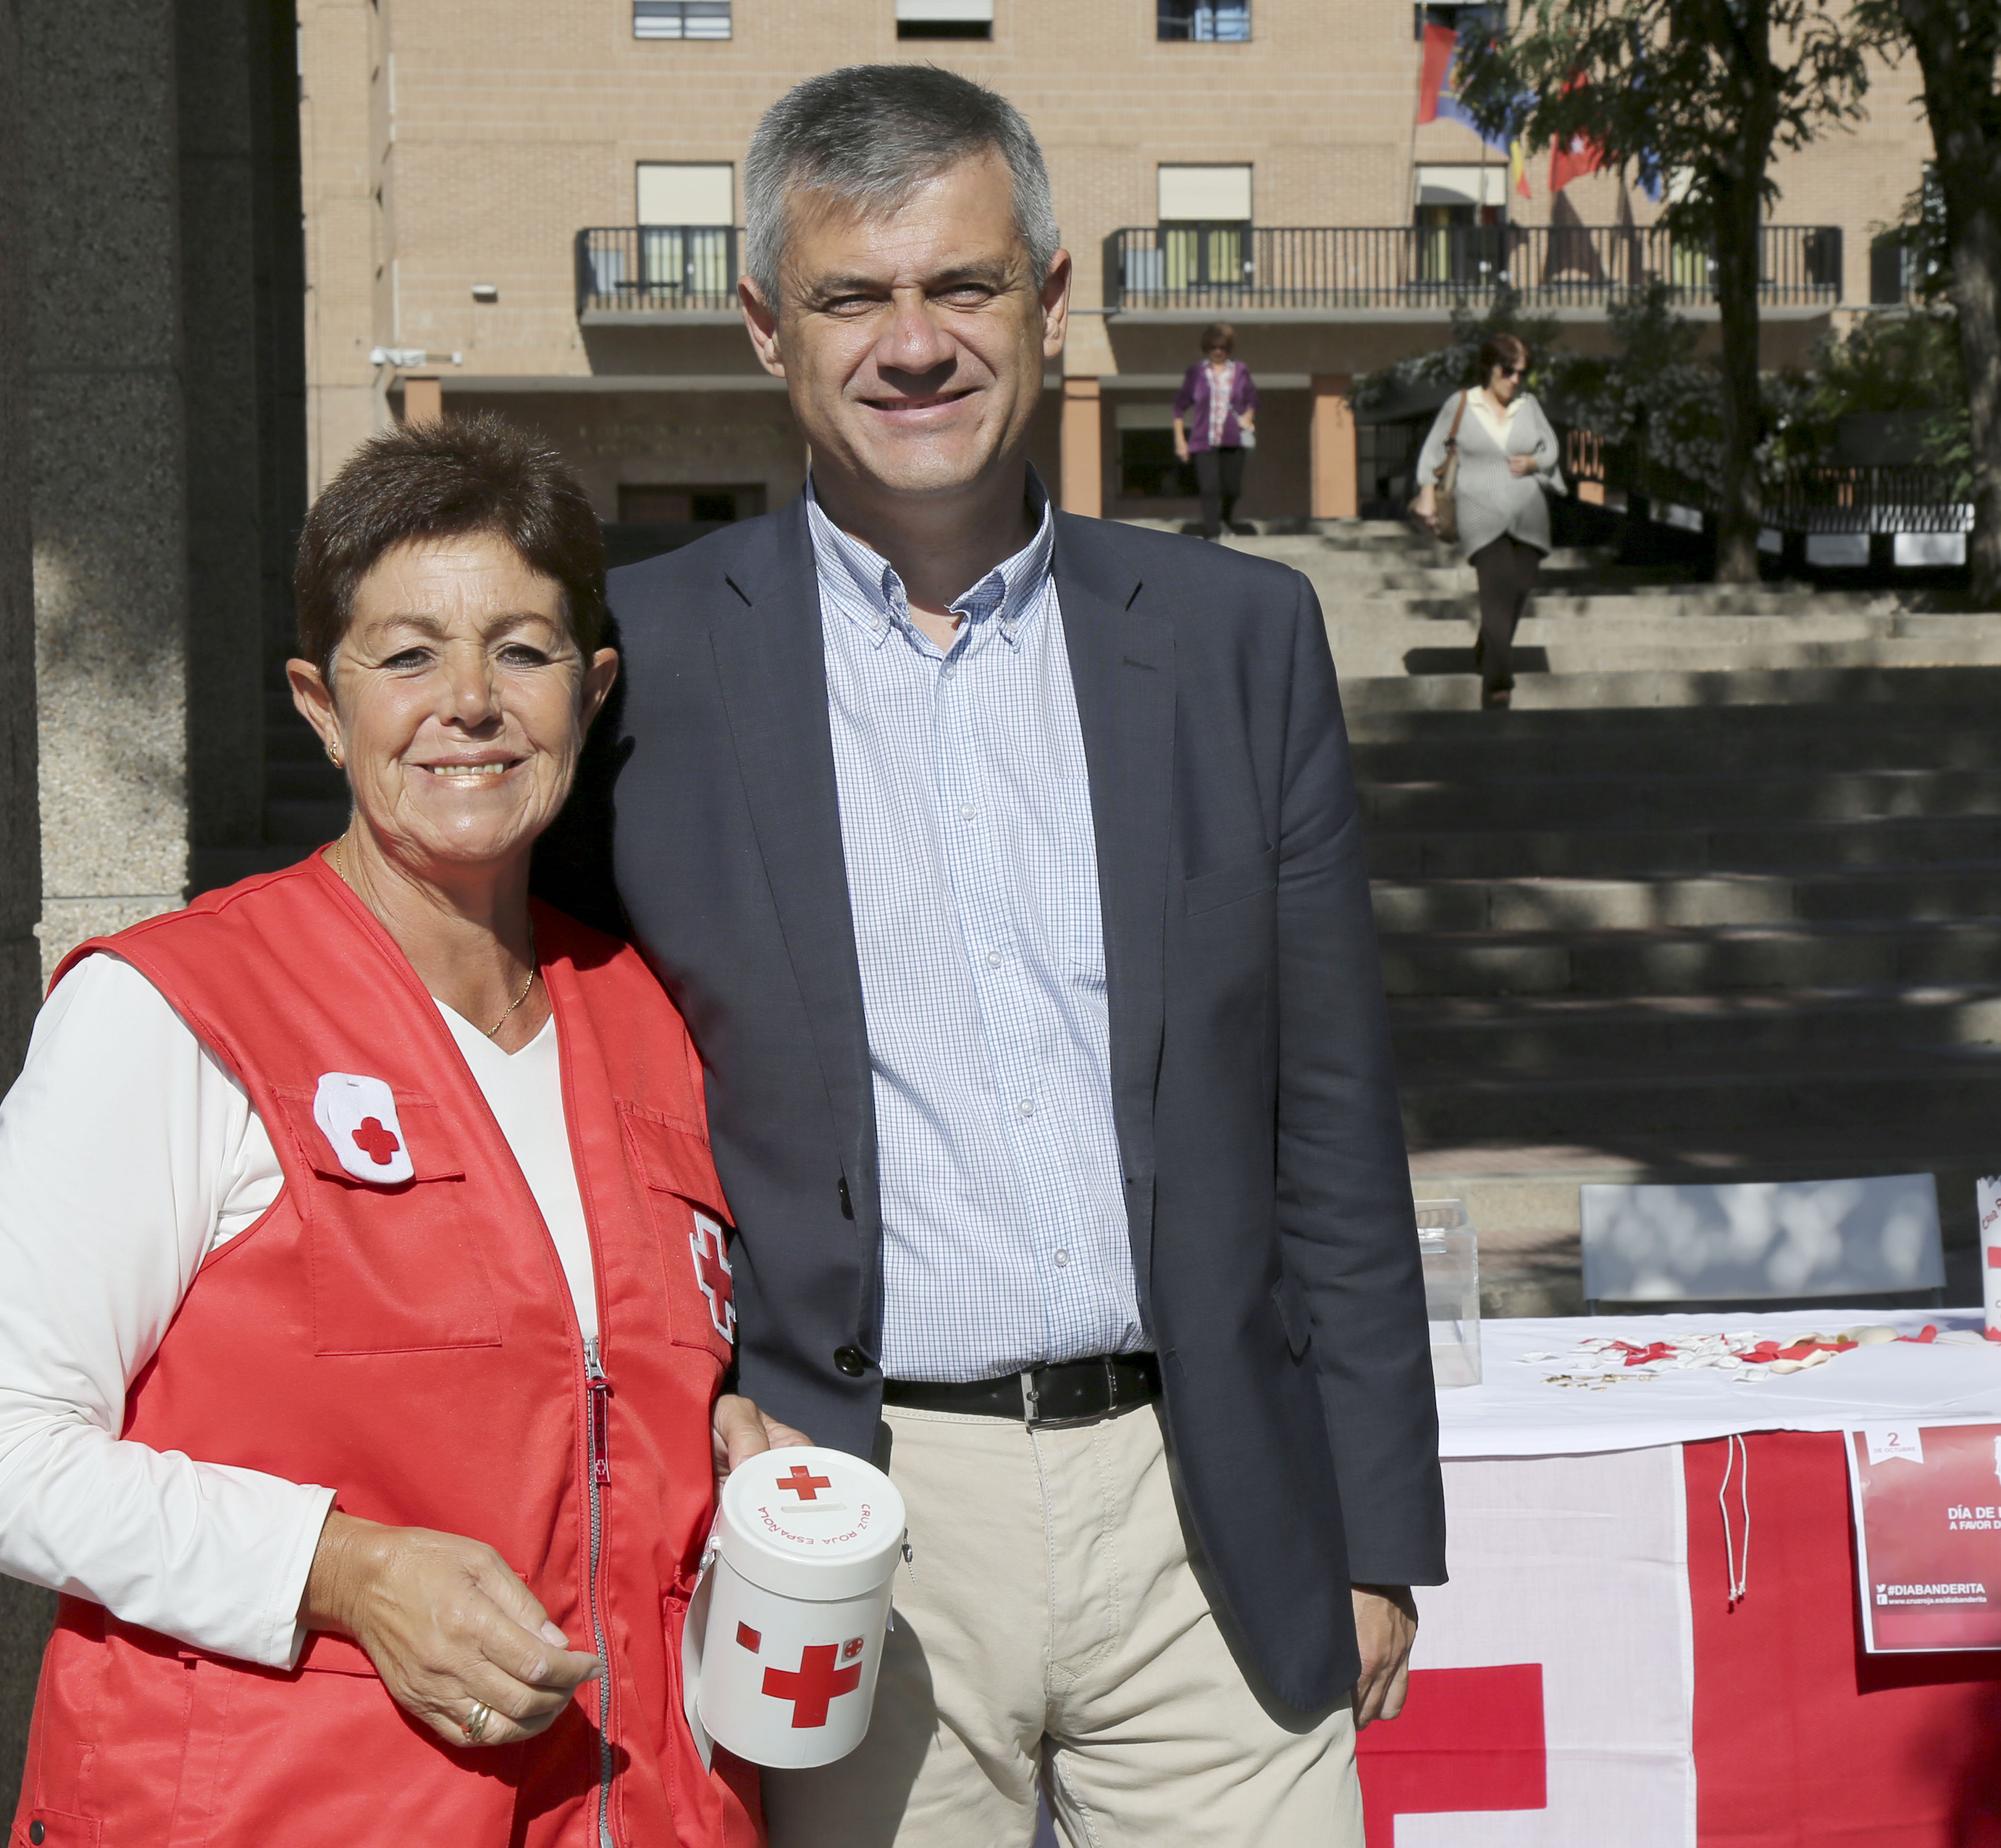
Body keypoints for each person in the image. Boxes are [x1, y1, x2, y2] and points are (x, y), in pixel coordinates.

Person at [544, 64, 1445, 1848]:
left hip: (1206, 1518)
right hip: (849, 1522)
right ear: (760, 326)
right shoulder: (641, 658)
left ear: (1045, 301)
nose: (912, 344)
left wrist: (1377, 1527)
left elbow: (1328, 1110)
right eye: (850, 296)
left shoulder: (1234, 641)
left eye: (961, 286)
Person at [0, 416, 797, 1848]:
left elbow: (579, 1387)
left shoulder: (646, 1018)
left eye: (524, 648)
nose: (471, 699)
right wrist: (346, 1568)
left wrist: (715, 1452)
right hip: (275, 1803)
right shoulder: (179, 1009)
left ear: (593, 686)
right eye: (408, 654)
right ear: (323, 706)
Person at [1411, 332, 1561, 709]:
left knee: (1519, 589)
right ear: (1490, 367)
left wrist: (1534, 463)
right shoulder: (1462, 404)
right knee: (1497, 591)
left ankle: (1487, 649)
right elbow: (1433, 450)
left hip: (1529, 514)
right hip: (1479, 512)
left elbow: (1552, 447)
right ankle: (1498, 684)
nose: (1515, 380)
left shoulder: (1528, 406)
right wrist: (1428, 495)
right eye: (1508, 371)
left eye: (1521, 373)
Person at [1170, 320, 1257, 538]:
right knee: (1209, 490)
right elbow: (1179, 408)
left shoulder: (1240, 371)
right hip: (1203, 442)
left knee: (1232, 489)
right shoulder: (1196, 373)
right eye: (1213, 347)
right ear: (1206, 348)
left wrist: (1248, 416)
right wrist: (1181, 441)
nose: (1218, 352)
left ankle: (1225, 519)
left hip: (1233, 440)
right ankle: (1212, 535)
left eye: (1223, 347)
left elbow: (1252, 400)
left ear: (1229, 348)